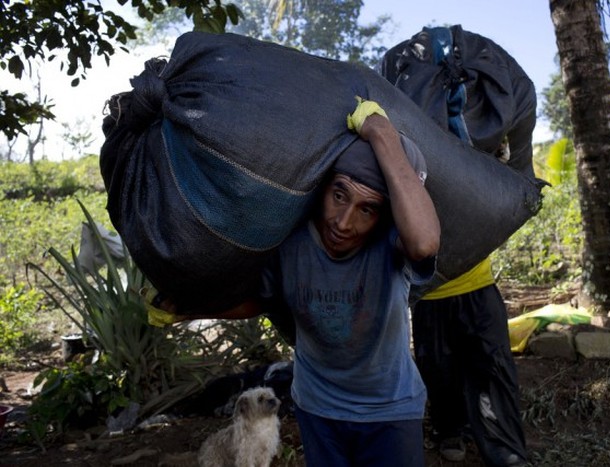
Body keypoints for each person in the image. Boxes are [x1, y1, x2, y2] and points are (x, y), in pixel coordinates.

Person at [151, 97, 441, 467]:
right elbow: (264, 300)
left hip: (389, 411)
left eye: (366, 209)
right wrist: (188, 307)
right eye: (339, 195)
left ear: (383, 217)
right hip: (318, 408)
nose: (343, 222)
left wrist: (382, 132)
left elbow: (424, 242)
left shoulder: (391, 245)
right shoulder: (291, 240)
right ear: (322, 188)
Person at [381, 25, 535, 466]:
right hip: (428, 289)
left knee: (492, 368)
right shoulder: (409, 156)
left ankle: (503, 448)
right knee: (438, 370)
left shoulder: (478, 152)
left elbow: (515, 185)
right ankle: (450, 430)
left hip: (477, 281)